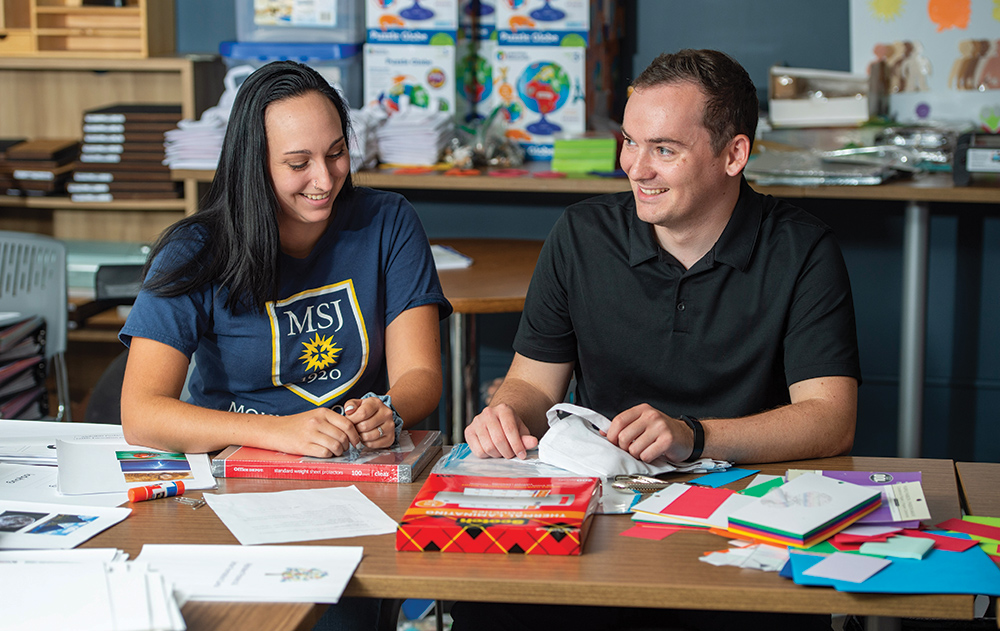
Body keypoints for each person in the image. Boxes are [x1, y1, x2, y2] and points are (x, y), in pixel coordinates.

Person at [454, 49, 860, 631]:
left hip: (743, 515)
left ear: (733, 155)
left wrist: (691, 436)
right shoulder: (581, 234)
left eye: (664, 150)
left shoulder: (802, 251)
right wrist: (505, 413)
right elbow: (529, 384)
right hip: (604, 503)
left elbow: (829, 419)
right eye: (630, 141)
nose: (635, 168)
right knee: (484, 602)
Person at [119, 60, 451, 631]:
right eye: (298, 164)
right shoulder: (196, 249)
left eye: (337, 153)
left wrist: (388, 411)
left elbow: (421, 375)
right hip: (232, 483)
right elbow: (141, 414)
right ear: (255, 166)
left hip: (355, 481)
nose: (324, 179)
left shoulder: (388, 221)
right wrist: (280, 432)